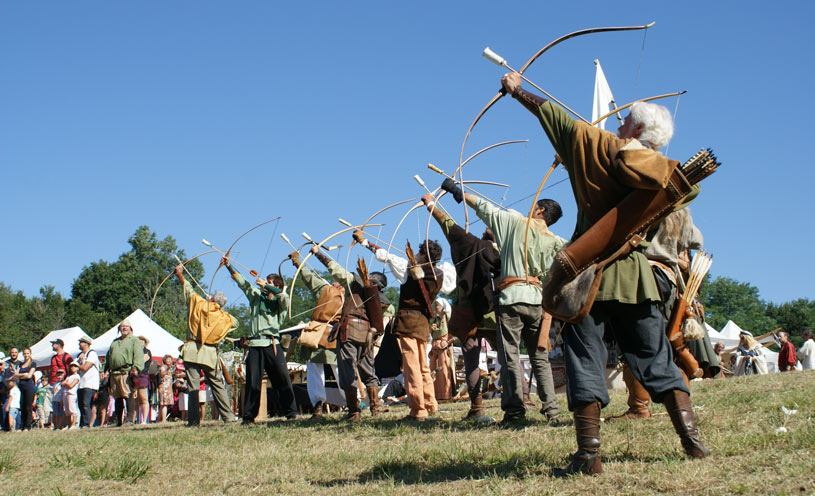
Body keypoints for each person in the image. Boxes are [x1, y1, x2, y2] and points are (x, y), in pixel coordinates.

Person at [499, 71, 709, 475]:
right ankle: (692, 442)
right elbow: (684, 188)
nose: (616, 121)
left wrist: (516, 89)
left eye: (625, 119)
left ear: (639, 128)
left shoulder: (596, 144)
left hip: (587, 271)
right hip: (634, 275)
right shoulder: (668, 172)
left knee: (585, 360)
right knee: (654, 356)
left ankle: (589, 456)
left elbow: (552, 114)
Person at [440, 181, 565, 425]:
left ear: (540, 210)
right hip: (537, 300)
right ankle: (553, 411)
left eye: (534, 207)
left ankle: (514, 412)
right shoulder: (556, 241)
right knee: (540, 358)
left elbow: (483, 206)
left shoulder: (514, 222)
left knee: (509, 356)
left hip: (511, 297)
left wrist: (457, 192)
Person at [356, 231, 456, 421]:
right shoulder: (441, 273)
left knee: (411, 367)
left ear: (424, 256)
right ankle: (430, 405)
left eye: (419, 253)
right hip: (423, 324)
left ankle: (418, 410)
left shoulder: (410, 268)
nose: (416, 255)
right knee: (423, 366)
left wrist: (364, 242)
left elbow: (386, 256)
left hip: (409, 322)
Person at [421, 193, 503, 418]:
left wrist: (431, 204)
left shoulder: (472, 245)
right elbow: (450, 226)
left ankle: (479, 407)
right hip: (492, 312)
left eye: (491, 225)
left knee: (475, 361)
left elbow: (449, 225)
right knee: (507, 356)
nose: (487, 226)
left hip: (469, 312)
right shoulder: (503, 252)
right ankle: (518, 400)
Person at [308, 244, 394, 422]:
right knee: (369, 371)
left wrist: (318, 254)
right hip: (367, 336)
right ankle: (375, 409)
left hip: (349, 332)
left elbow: (334, 268)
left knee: (347, 371)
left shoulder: (356, 282)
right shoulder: (386, 302)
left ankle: (354, 412)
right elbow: (382, 322)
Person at [223, 255, 298, 423]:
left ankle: (291, 412)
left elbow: (283, 297)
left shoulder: (281, 301)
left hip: (272, 343)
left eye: (270, 282)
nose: (266, 283)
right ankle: (248, 417)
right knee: (252, 382)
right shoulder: (257, 297)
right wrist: (229, 267)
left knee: (282, 378)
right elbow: (243, 283)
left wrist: (269, 287)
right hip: (255, 344)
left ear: (277, 286)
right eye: (267, 281)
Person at [175, 264, 238, 425]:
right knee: (217, 385)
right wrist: (219, 309)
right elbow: (235, 323)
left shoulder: (199, 303)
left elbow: (187, 289)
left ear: (211, 298)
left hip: (192, 350)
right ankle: (229, 417)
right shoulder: (224, 317)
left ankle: (194, 421)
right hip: (209, 353)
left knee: (193, 386)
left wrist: (180, 274)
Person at [288, 251, 346, 419]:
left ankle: (320, 407)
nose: (335, 283)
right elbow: (309, 277)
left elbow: (309, 276)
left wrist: (298, 263)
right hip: (332, 335)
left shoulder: (327, 290)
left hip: (320, 334)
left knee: (324, 370)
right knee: (336, 369)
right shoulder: (348, 292)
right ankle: (350, 403)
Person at [104, 319, 144, 426]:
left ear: (130, 329)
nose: (124, 328)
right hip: (114, 373)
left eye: (126, 326)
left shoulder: (134, 340)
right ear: (119, 329)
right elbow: (108, 357)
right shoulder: (115, 342)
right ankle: (117, 420)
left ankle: (130, 419)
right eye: (122, 326)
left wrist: (136, 368)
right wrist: (104, 369)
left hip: (126, 372)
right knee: (117, 396)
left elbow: (139, 355)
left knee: (128, 395)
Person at [428, 298, 455, 401]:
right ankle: (436, 395)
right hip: (435, 348)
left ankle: (446, 394)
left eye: (437, 305)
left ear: (443, 307)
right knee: (434, 371)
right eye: (435, 305)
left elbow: (453, 334)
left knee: (444, 371)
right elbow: (433, 335)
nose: (436, 307)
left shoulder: (447, 318)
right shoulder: (435, 320)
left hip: (444, 349)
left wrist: (446, 342)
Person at [48, 339, 73, 428]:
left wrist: (66, 381)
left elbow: (70, 370)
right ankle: (56, 424)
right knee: (54, 404)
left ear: (58, 345)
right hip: (53, 383)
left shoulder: (66, 356)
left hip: (63, 383)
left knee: (64, 405)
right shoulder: (53, 357)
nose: (52, 346)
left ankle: (66, 424)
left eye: (53, 344)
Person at [76, 336, 100, 428]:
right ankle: (82, 424)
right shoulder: (81, 355)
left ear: (86, 343)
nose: (79, 344)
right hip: (82, 384)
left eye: (81, 342)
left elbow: (85, 367)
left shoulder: (92, 354)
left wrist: (77, 365)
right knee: (81, 405)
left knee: (86, 405)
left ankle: (87, 424)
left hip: (90, 384)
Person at [130, 336, 153, 424]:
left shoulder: (147, 352)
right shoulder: (133, 352)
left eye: (142, 341)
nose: (140, 342)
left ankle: (144, 420)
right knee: (134, 399)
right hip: (133, 376)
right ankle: (133, 419)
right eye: (138, 340)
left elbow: (141, 362)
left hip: (142, 375)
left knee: (143, 399)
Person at [13, 347, 37, 430]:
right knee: (22, 406)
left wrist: (20, 375)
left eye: (27, 353)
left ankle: (28, 425)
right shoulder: (20, 364)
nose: (26, 355)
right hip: (21, 387)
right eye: (24, 353)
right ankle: (22, 425)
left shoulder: (32, 364)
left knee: (28, 406)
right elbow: (15, 374)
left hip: (29, 387)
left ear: (30, 354)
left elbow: (29, 375)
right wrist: (23, 375)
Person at [61, 362, 81, 429]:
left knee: (72, 409)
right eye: (71, 366)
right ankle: (68, 424)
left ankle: (73, 424)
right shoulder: (69, 376)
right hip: (65, 393)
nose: (72, 368)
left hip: (71, 394)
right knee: (67, 410)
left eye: (74, 366)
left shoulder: (77, 376)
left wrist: (66, 383)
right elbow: (62, 384)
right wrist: (67, 383)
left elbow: (71, 385)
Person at [157, 355, 175, 422]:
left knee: (163, 405)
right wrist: (167, 369)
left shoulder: (170, 368)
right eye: (168, 359)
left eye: (170, 359)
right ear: (165, 360)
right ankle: (163, 420)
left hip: (168, 387)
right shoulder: (164, 367)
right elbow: (162, 374)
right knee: (164, 404)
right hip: (164, 387)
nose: (169, 361)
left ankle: (158, 419)